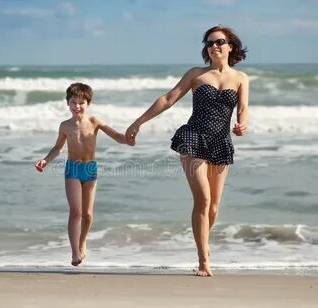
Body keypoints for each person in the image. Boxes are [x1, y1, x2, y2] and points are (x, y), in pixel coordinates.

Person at [125, 26, 249, 277]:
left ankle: (202, 241)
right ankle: (204, 259)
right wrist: (138, 122)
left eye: (219, 42)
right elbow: (169, 99)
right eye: (209, 42)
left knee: (213, 207)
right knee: (202, 199)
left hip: (221, 142)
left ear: (230, 46)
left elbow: (243, 108)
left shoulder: (241, 78)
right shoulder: (196, 74)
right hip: (192, 138)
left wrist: (242, 124)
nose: (213, 46)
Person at [35, 82, 128, 266]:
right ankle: (75, 252)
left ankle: (83, 242)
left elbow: (116, 136)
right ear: (67, 103)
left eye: (81, 102)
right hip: (72, 169)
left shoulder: (94, 122)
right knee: (76, 212)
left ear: (88, 104)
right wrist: (46, 160)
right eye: (73, 102)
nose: (77, 106)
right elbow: (58, 148)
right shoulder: (65, 126)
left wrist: (127, 139)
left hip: (90, 169)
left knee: (87, 214)